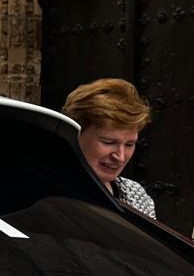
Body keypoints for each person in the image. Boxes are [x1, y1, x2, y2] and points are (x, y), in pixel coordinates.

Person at [62, 78, 156, 217]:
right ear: (74, 135)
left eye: (129, 144)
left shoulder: (136, 196)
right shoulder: (41, 189)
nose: (120, 156)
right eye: (108, 142)